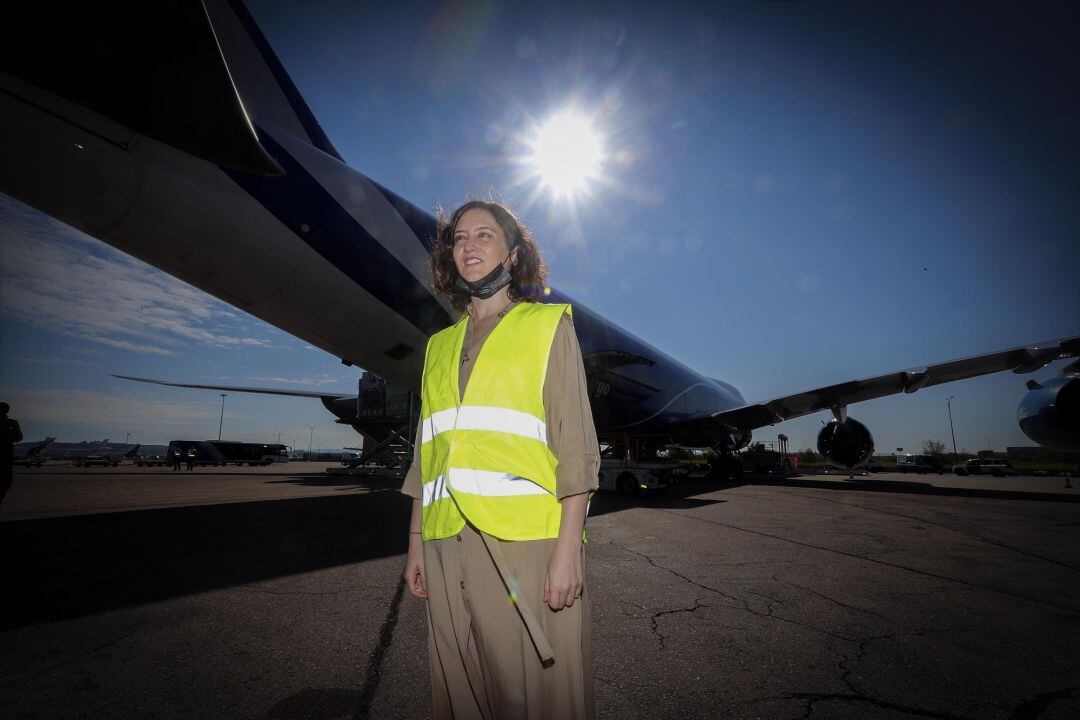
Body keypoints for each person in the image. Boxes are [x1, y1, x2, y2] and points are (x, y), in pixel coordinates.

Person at [401, 200, 599, 719]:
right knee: (458, 681)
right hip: (445, 540)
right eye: (459, 237)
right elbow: (428, 456)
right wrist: (416, 544)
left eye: (484, 235)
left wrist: (568, 551)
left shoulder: (546, 327)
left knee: (533, 689)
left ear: (512, 256)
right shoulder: (439, 348)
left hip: (523, 541)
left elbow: (575, 443)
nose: (468, 245)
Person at [1, 402, 24, 508]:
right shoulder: (11, 423)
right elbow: (17, 437)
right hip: (6, 456)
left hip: (6, 456)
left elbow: (18, 438)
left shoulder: (11, 423)